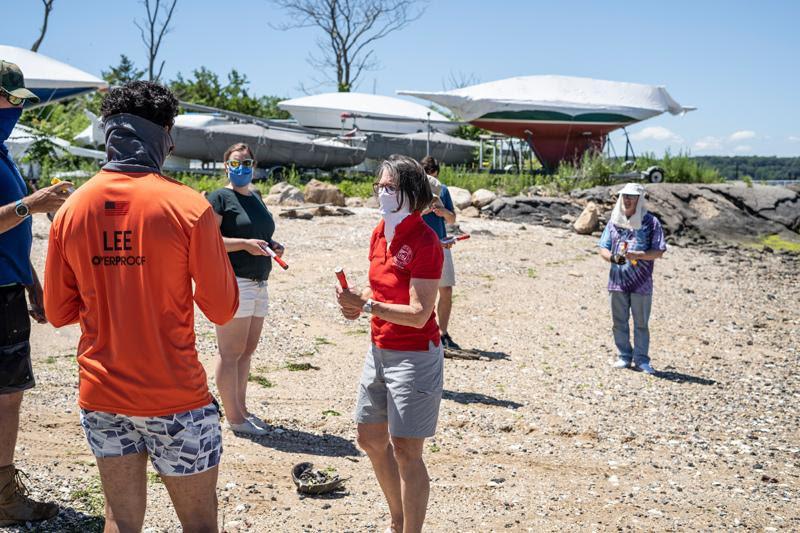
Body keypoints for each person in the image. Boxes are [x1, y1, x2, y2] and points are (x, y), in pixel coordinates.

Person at [44, 81, 239, 532]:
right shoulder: (189, 206)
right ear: (164, 134)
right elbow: (223, 309)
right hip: (174, 396)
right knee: (199, 524)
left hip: (102, 393)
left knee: (120, 520)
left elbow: (57, 312)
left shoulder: (72, 210)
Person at [336, 154, 444, 533]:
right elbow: (378, 289)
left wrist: (366, 306)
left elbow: (418, 313)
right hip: (378, 349)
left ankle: (407, 527)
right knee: (369, 438)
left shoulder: (425, 240)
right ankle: (397, 518)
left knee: (407, 450)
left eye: (391, 187)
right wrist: (355, 301)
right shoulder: (380, 230)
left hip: (414, 355)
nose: (382, 193)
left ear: (411, 192)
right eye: (379, 186)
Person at [0, 59, 69, 527]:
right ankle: (4, 499)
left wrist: (35, 285)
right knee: (6, 396)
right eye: (11, 101)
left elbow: (13, 238)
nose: (17, 111)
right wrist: (34, 203)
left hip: (9, 288)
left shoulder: (3, 152)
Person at [207, 143, 284, 437]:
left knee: (246, 351)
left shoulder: (257, 196)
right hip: (233, 280)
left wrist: (271, 246)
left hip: (259, 280)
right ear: (226, 165)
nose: (242, 168)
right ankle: (234, 417)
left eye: (247, 163)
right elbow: (209, 242)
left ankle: (241, 408)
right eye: (236, 163)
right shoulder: (219, 198)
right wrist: (243, 245)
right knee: (230, 352)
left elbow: (261, 233)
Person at [598, 183, 667, 375]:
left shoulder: (651, 222)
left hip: (642, 282)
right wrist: (612, 258)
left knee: (641, 323)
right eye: (625, 196)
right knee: (618, 321)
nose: (627, 199)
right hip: (617, 281)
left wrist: (640, 255)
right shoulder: (614, 221)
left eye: (632, 196)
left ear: (639, 199)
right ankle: (624, 356)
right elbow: (603, 247)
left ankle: (642, 360)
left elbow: (659, 251)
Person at [419, 156, 460, 350]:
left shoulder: (442, 190)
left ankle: (442, 333)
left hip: (442, 245)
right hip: (421, 246)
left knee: (446, 290)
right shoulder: (415, 190)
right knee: (422, 291)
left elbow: (451, 219)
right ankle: (424, 333)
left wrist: (443, 211)